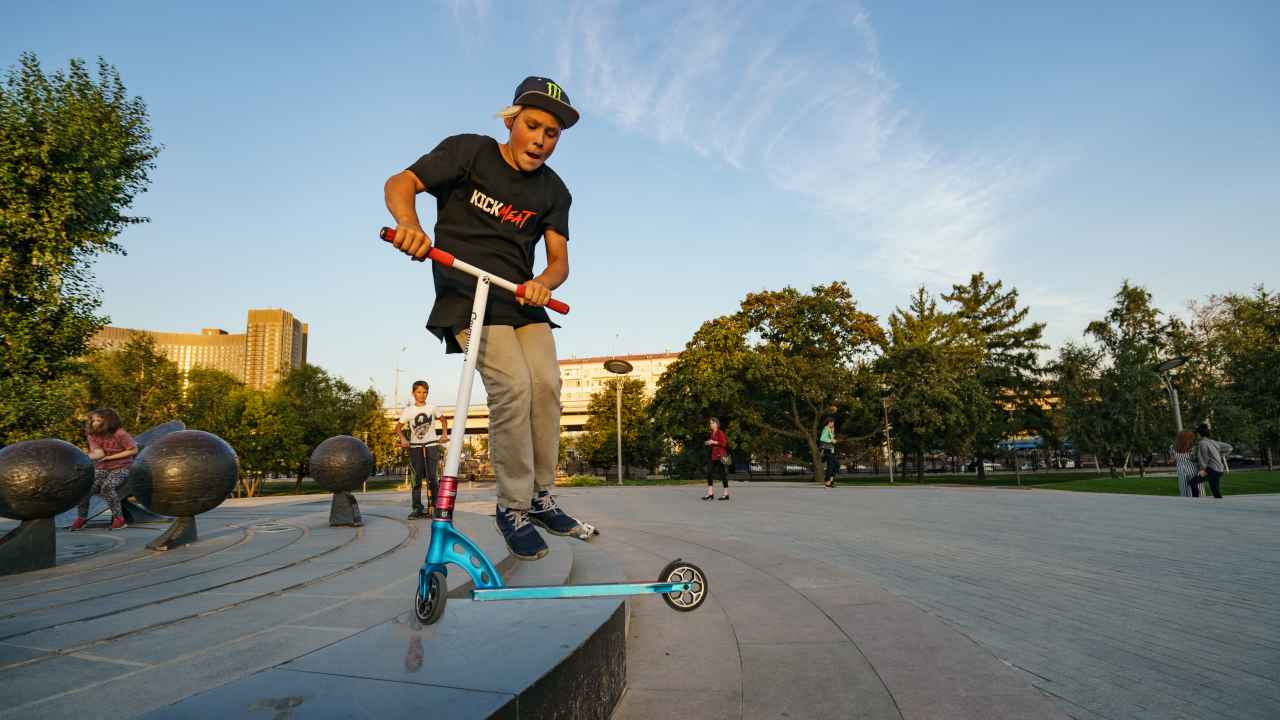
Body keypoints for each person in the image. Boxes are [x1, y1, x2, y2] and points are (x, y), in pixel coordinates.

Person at [384, 76, 585, 560]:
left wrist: (544, 282)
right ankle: (512, 507)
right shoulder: (469, 152)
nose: (540, 139)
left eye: (552, 133)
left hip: (520, 298)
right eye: (532, 126)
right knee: (512, 386)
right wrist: (410, 225)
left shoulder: (554, 191)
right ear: (511, 120)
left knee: (547, 384)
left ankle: (540, 497)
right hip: (466, 291)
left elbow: (559, 260)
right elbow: (402, 182)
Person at [70, 408, 137, 531]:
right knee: (85, 488)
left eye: (98, 420)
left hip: (122, 466)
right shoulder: (92, 435)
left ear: (109, 421)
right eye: (93, 420)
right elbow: (99, 453)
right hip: (102, 467)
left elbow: (133, 450)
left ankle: (119, 519)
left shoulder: (120, 434)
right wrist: (82, 457)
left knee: (107, 487)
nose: (94, 423)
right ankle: (82, 518)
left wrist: (111, 457)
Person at [393, 380, 448, 519]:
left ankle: (435, 507)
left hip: (431, 446)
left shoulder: (432, 408)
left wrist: (444, 434)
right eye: (418, 392)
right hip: (415, 447)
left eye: (424, 392)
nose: (422, 395)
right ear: (413, 393)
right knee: (416, 479)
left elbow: (443, 420)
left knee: (432, 478)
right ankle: (417, 508)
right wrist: (404, 439)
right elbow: (398, 428)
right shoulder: (409, 410)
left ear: (427, 393)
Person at [1193, 423, 1232, 499]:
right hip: (1219, 470)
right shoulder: (1213, 442)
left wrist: (1202, 469)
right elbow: (1229, 447)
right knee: (1216, 492)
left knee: (1193, 482)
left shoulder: (1202, 443)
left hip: (1212, 470)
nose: (1196, 436)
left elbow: (1203, 458)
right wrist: (1220, 455)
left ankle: (1195, 501)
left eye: (1196, 434)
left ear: (1199, 434)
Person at [702, 417, 730, 501]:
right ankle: (710, 493)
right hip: (713, 456)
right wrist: (709, 442)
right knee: (709, 472)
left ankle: (726, 494)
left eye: (712, 423)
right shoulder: (712, 433)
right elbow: (713, 443)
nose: (710, 425)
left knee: (722, 474)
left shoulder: (720, 432)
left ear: (716, 424)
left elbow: (724, 443)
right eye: (710, 423)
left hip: (720, 456)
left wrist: (713, 442)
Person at [1171, 430, 1198, 497]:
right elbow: (1196, 459)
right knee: (1197, 488)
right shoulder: (1194, 448)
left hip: (1181, 470)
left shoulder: (1172, 447)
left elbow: (1173, 458)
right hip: (1193, 469)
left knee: (1184, 490)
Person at [820, 418, 839, 488]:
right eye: (832, 422)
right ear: (829, 422)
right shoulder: (826, 429)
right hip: (827, 450)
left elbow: (830, 438)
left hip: (831, 450)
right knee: (830, 466)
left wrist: (832, 433)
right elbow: (822, 439)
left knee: (837, 464)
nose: (833, 424)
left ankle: (830, 480)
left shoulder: (830, 430)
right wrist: (832, 440)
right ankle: (827, 483)